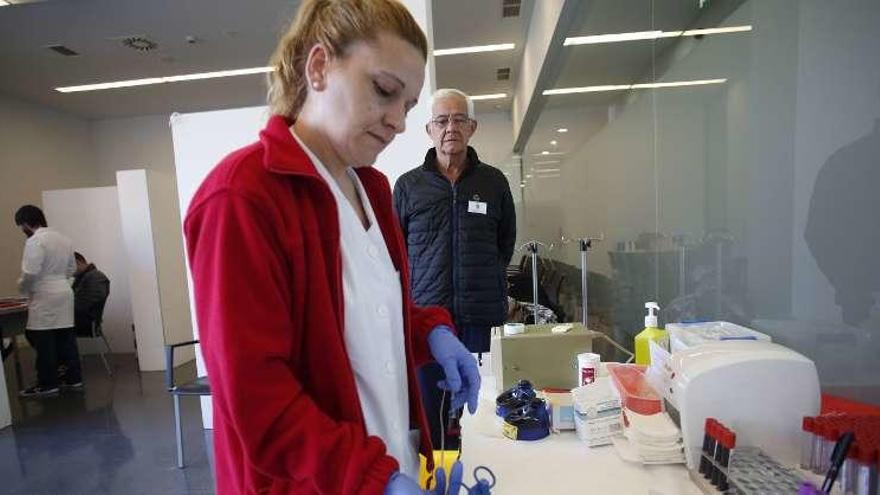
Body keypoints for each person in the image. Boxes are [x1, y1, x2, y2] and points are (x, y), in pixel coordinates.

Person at [183, 1, 484, 494]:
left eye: (407, 106)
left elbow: (365, 323)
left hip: (388, 461)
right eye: (385, 91)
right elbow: (258, 398)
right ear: (319, 66)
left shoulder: (371, 188)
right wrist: (373, 479)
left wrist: (429, 331)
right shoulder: (242, 197)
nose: (398, 122)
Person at [393, 88, 516, 448]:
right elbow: (395, 251)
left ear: (472, 127)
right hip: (428, 319)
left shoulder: (493, 183)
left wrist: (485, 280)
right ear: (429, 130)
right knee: (431, 409)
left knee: (476, 411)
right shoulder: (408, 186)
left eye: (459, 119)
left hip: (478, 317)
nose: (451, 127)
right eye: (442, 120)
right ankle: (437, 477)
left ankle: (474, 468)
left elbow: (504, 243)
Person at [14, 205, 82, 396]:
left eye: (21, 226)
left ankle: (48, 382)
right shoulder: (64, 239)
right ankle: (73, 378)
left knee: (42, 339)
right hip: (64, 291)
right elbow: (71, 269)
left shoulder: (35, 241)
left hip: (44, 293)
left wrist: (22, 287)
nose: (22, 230)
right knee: (66, 338)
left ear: (26, 223)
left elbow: (30, 272)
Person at [72, 252, 110, 336]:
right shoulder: (84, 278)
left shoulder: (95, 277)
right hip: (82, 328)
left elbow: (82, 305)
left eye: (68, 267)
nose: (67, 272)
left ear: (77, 262)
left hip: (86, 330)